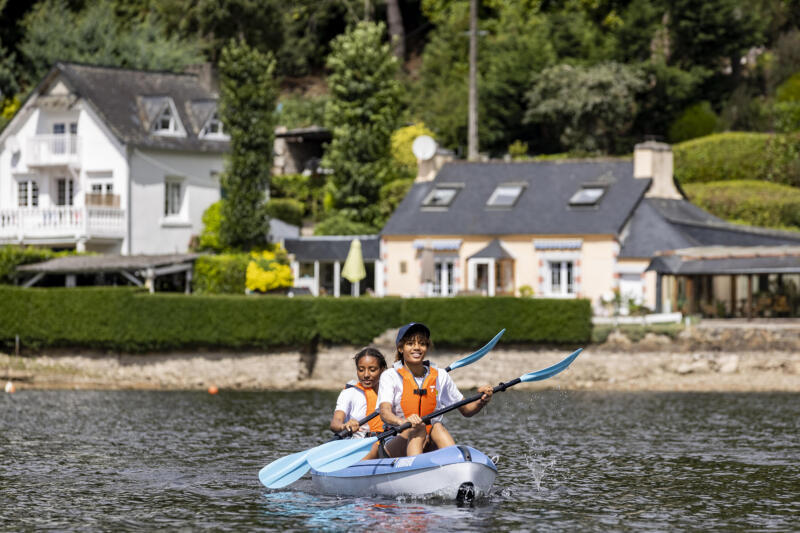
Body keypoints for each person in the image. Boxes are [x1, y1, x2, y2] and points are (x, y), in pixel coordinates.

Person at [378, 322, 493, 457]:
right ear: (401, 348)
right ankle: (415, 468)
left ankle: (456, 462)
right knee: (418, 427)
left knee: (436, 426)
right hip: (397, 441)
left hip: (429, 441)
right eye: (410, 343)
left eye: (422, 343)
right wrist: (402, 422)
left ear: (427, 347)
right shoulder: (390, 376)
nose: (417, 348)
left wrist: (482, 400)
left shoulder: (440, 376)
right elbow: (384, 412)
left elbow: (467, 410)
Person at [329, 347, 388, 460]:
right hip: (360, 445)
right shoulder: (349, 393)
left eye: (372, 369)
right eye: (361, 370)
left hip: (388, 442)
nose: (366, 375)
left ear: (382, 370)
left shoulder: (391, 391)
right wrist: (344, 426)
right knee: (373, 447)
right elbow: (335, 423)